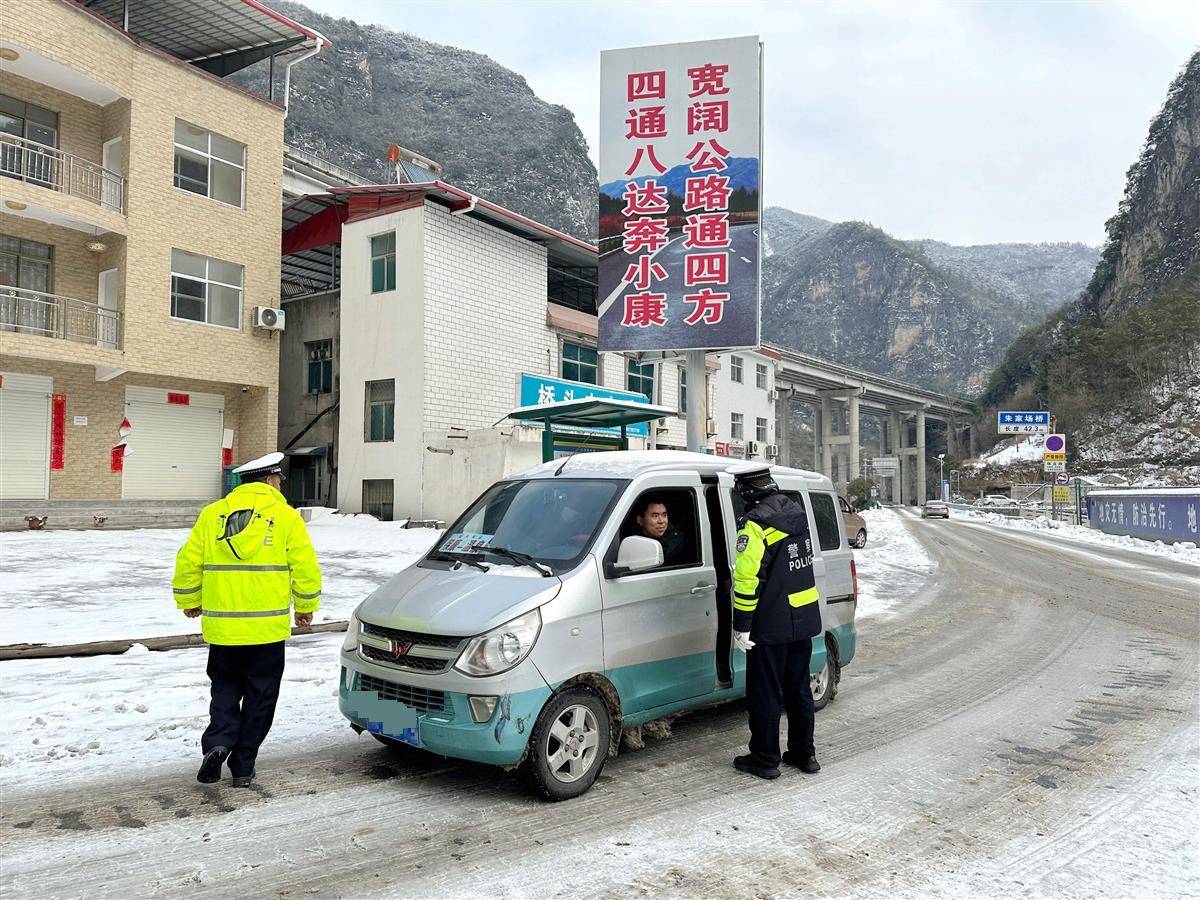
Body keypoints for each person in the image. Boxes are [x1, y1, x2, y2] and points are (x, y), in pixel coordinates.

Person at [172, 451, 322, 787]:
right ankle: (242, 765)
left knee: (224, 688)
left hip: (223, 628)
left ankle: (218, 742)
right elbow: (305, 566)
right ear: (269, 480)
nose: (280, 485)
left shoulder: (213, 515)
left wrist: (189, 600)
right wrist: (305, 605)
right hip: (266, 631)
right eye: (278, 480)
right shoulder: (285, 517)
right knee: (260, 696)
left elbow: (188, 561)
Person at [730, 465, 822, 780]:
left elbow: (746, 579)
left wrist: (741, 624)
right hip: (803, 615)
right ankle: (803, 754)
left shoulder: (755, 524)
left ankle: (765, 758)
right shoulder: (794, 511)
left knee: (765, 692)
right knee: (799, 690)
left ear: (746, 491)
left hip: (771, 623)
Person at [634, 495, 687, 567]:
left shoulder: (679, 541)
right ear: (640, 520)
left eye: (664, 515)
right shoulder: (632, 543)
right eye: (655, 516)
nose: (661, 521)